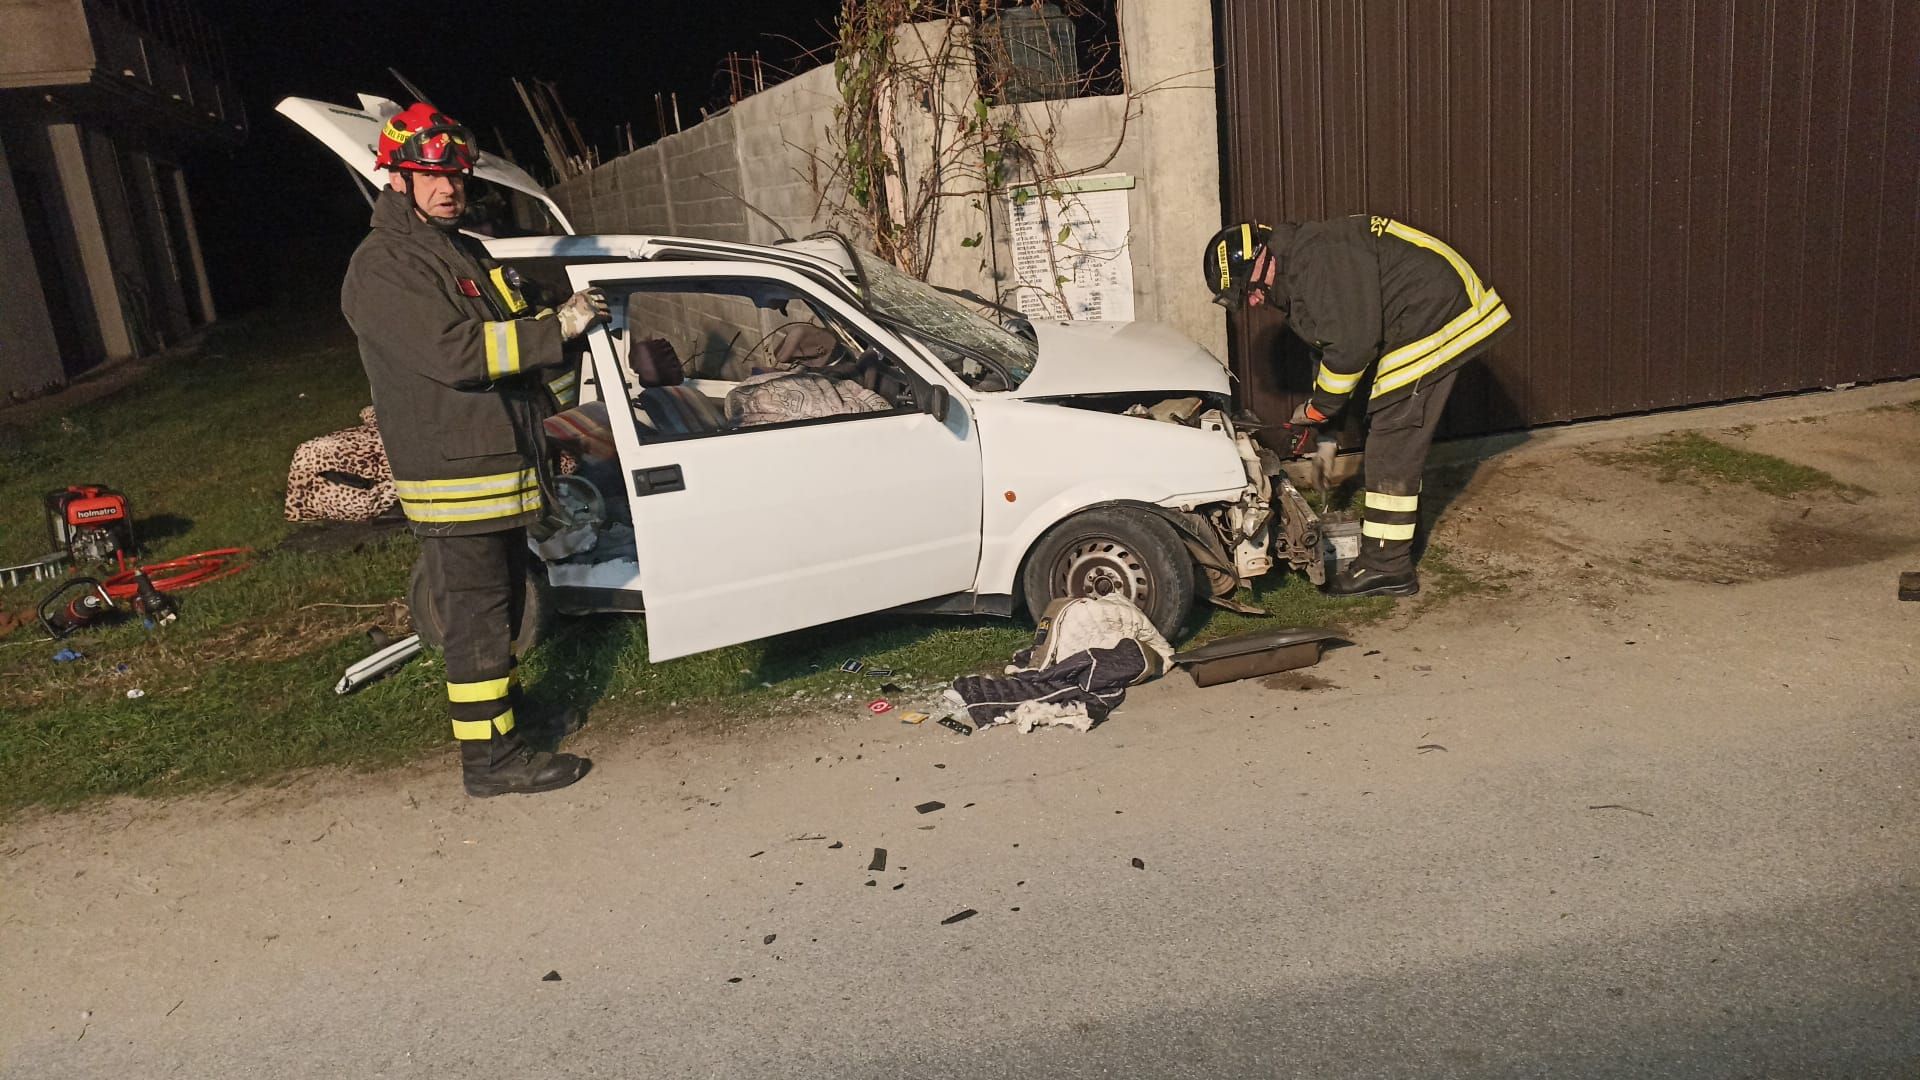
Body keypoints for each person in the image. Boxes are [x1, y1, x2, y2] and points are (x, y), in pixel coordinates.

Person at [341, 102, 607, 796]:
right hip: (456, 474)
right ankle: (489, 762)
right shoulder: (386, 267)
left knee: (505, 608)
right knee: (479, 619)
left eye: (454, 175)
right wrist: (559, 331)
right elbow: (459, 353)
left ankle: (507, 723)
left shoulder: (455, 248)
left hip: (493, 465)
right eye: (429, 176)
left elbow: (507, 337)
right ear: (395, 177)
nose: (447, 187)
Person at [1204, 215, 1512, 597]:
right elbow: (1330, 351)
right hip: (1418, 315)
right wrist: (1327, 439)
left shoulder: (1317, 264)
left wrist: (1315, 410)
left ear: (1263, 261)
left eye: (1248, 290)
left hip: (1437, 314)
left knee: (1391, 441)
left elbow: (1350, 353)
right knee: (1387, 431)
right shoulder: (1301, 272)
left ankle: (1387, 567)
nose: (1252, 301)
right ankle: (1388, 557)